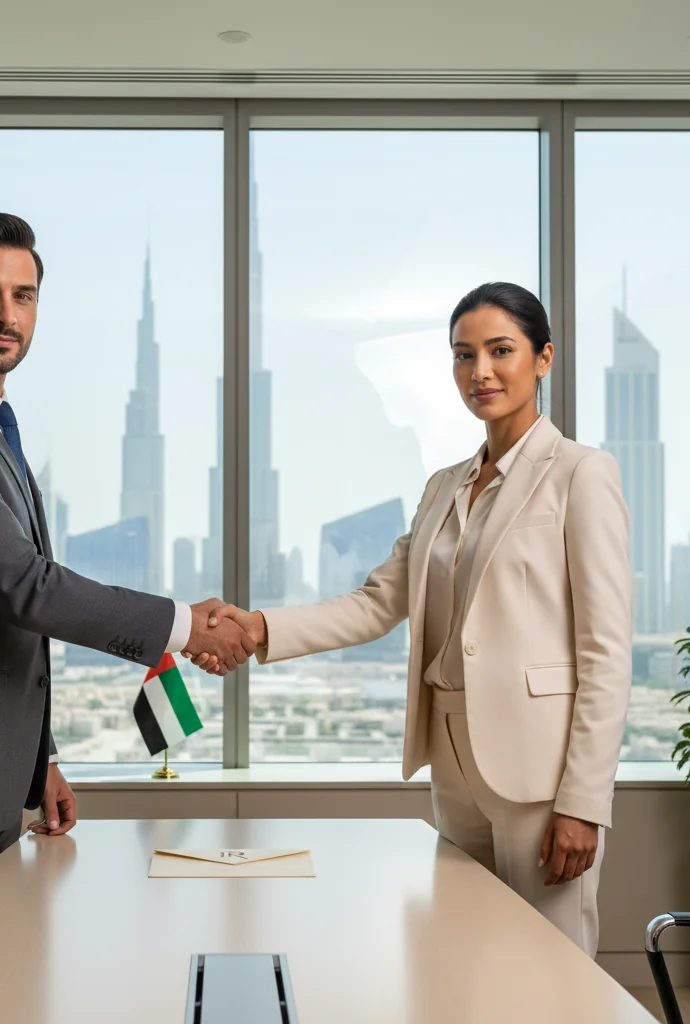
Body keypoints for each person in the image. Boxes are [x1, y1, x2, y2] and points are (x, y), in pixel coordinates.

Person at [0, 212, 254, 970]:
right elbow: (23, 588)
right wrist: (186, 625)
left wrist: (41, 759)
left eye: (23, 296)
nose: (6, 316)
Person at [200, 282, 631, 957]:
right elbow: (377, 603)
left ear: (543, 358)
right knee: (462, 954)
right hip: (454, 759)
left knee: (552, 966)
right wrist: (257, 629)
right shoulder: (444, 486)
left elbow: (606, 652)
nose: (479, 372)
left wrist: (584, 800)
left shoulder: (580, 473)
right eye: (463, 355)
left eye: (500, 351)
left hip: (539, 773)